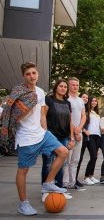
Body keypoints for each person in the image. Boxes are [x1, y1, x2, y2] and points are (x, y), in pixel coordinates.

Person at [0, 62, 68, 215]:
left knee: (63, 152)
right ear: (24, 76)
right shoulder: (18, 92)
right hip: (25, 137)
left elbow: (42, 114)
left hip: (41, 133)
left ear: (37, 74)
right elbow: (12, 117)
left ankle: (48, 183)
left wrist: (44, 131)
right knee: (23, 170)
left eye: (34, 73)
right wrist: (26, 106)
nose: (31, 76)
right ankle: (23, 203)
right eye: (28, 74)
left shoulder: (40, 91)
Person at [41, 79, 74, 197]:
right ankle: (45, 190)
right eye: (61, 86)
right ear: (56, 87)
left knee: (61, 164)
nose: (63, 88)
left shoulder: (67, 103)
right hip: (50, 136)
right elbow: (43, 116)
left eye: (65, 87)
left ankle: (58, 189)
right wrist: (45, 133)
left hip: (64, 136)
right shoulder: (48, 100)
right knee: (48, 164)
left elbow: (70, 121)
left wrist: (71, 138)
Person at [63, 77, 86, 189]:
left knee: (75, 160)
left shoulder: (80, 100)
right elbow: (68, 117)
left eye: (77, 85)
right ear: (69, 85)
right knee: (67, 160)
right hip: (69, 134)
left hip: (79, 133)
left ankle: (72, 182)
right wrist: (75, 131)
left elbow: (84, 116)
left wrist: (79, 129)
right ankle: (65, 183)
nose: (75, 87)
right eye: (73, 85)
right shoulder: (65, 99)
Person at [81, 96, 101, 185]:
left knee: (95, 157)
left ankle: (91, 176)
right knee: (93, 156)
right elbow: (82, 123)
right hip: (90, 136)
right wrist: (85, 130)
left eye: (95, 101)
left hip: (98, 136)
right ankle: (86, 177)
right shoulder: (86, 112)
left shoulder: (97, 113)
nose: (94, 102)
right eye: (92, 101)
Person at [75, 92, 89, 187]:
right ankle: (72, 179)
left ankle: (74, 179)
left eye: (87, 98)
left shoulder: (86, 109)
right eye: (83, 97)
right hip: (77, 133)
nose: (85, 99)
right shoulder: (77, 107)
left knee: (78, 158)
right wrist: (82, 129)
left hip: (83, 135)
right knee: (74, 159)